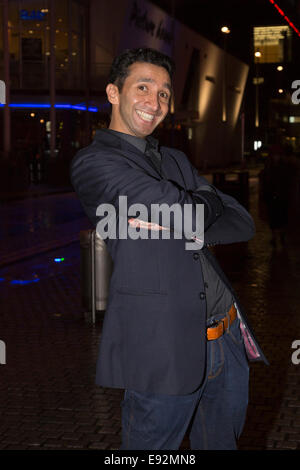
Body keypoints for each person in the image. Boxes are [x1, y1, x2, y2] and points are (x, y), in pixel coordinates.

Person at [70, 47, 268, 450]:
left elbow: (241, 221)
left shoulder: (175, 160)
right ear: (113, 92)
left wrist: (189, 213)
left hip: (226, 336)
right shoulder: (96, 163)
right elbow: (199, 212)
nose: (155, 102)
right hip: (163, 346)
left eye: (163, 93)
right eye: (143, 87)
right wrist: (196, 206)